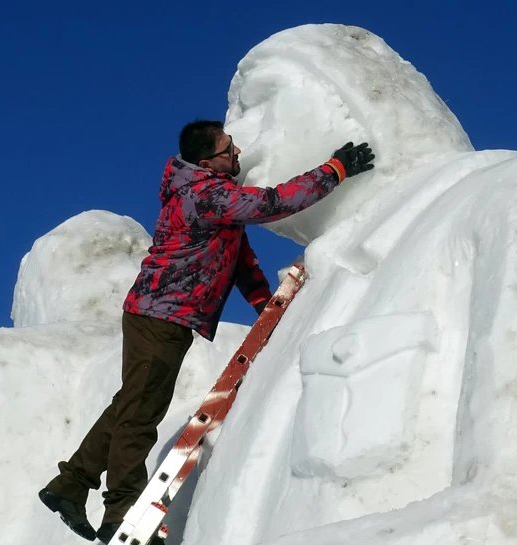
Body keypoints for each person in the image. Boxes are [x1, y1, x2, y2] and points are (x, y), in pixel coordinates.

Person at [37, 119, 375, 543]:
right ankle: (120, 512)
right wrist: (335, 170)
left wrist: (263, 304)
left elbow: (237, 256)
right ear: (207, 162)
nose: (237, 152)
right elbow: (271, 204)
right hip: (159, 317)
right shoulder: (204, 193)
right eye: (228, 148)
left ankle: (70, 485)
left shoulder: (212, 197)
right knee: (139, 415)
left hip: (160, 316)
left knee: (131, 404)